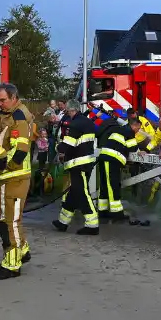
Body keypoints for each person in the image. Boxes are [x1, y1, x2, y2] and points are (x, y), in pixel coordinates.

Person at [0, 82, 35, 279]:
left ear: (14, 98)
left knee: (9, 221)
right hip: (4, 178)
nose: (0, 104)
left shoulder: (18, 118)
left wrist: (1, 167)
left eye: (3, 100)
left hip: (13, 177)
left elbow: (19, 151)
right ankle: (22, 250)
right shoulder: (6, 115)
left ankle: (12, 265)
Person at [53, 100, 100, 235]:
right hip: (86, 161)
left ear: (70, 110)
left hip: (78, 164)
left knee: (82, 192)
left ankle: (92, 225)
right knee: (74, 192)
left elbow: (67, 144)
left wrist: (57, 148)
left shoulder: (75, 124)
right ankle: (63, 222)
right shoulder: (87, 122)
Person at [95, 113, 141, 220]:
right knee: (112, 185)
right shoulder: (129, 132)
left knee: (104, 185)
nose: (138, 131)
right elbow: (133, 148)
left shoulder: (120, 130)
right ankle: (117, 213)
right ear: (134, 126)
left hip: (105, 158)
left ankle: (103, 210)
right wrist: (141, 151)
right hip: (111, 160)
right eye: (138, 128)